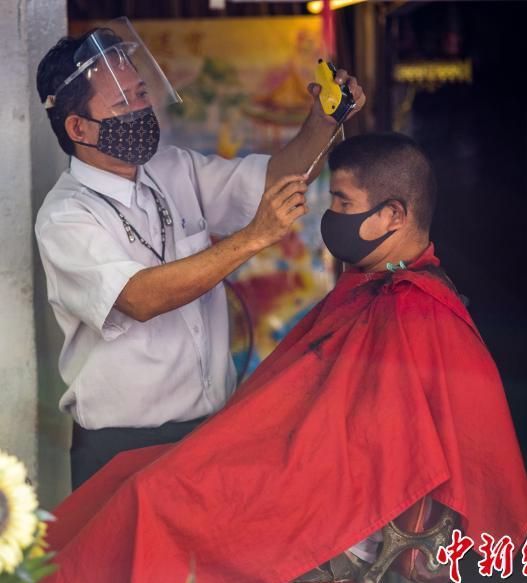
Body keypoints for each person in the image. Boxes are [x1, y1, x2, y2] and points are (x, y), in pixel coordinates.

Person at [30, 133, 527, 583]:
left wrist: (270, 456)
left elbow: (375, 451)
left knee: (151, 498)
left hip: (328, 503)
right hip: (299, 467)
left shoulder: (417, 311)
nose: (330, 215)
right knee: (127, 476)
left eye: (342, 202)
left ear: (393, 215)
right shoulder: (372, 287)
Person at [34, 19, 365, 489]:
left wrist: (325, 119)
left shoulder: (171, 168)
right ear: (77, 127)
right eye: (124, 102)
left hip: (209, 432)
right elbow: (139, 297)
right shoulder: (66, 216)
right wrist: (253, 238)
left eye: (142, 92)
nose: (142, 108)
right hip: (120, 447)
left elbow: (273, 182)